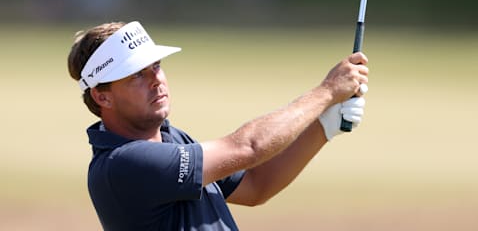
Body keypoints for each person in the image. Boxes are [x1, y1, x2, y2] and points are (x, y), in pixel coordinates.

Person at [66, 20, 369, 230]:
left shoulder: (173, 138)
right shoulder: (124, 164)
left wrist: (323, 126)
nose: (156, 79)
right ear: (102, 97)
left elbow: (256, 186)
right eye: (136, 75)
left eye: (156, 66)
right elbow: (248, 148)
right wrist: (327, 92)